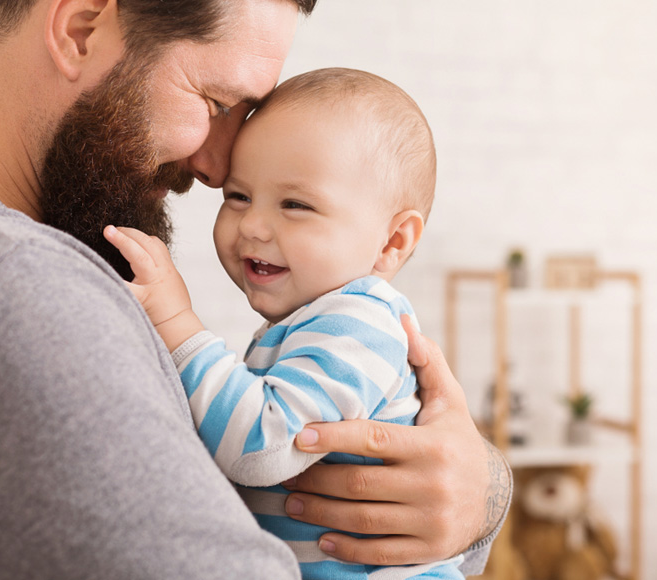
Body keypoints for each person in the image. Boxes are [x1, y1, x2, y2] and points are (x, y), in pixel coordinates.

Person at [0, 0, 510, 578]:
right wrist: (484, 498)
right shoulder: (10, 288)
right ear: (80, 30)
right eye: (217, 103)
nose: (219, 167)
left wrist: (473, 495)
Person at [105, 67, 464, 580]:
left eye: (295, 204)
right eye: (237, 196)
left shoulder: (357, 322)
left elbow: (262, 447)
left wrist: (176, 322)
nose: (252, 224)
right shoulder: (311, 323)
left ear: (392, 243)